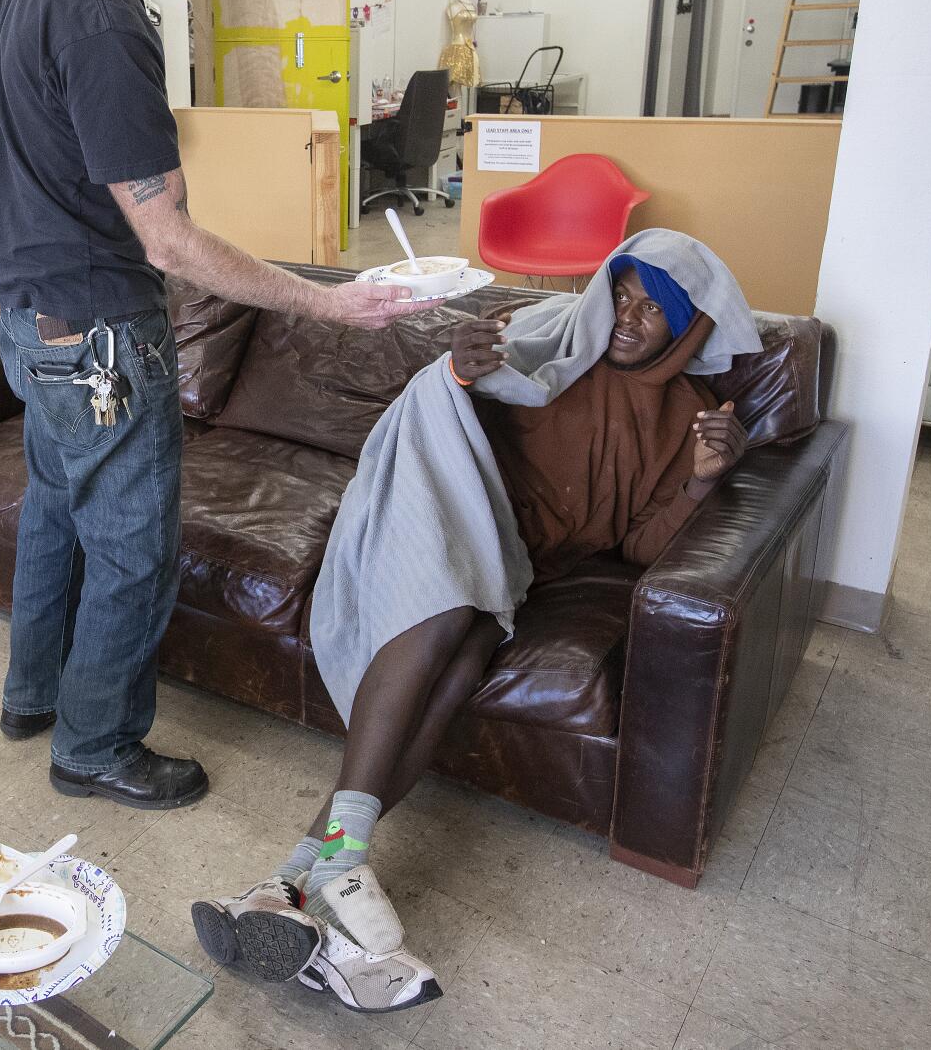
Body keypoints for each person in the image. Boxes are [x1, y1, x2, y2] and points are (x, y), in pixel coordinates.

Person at [0, 0, 442, 813]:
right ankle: (94, 744)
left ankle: (32, 695)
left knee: (54, 510)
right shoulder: (101, 16)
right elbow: (169, 240)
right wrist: (326, 300)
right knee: (134, 548)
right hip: (96, 331)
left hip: (26, 318)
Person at [192, 235, 756, 1012]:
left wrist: (699, 485)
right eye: (621, 297)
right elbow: (445, 407)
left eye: (653, 308)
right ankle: (344, 859)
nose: (628, 319)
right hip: (448, 508)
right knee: (445, 608)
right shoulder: (553, 333)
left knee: (458, 671)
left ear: (689, 325)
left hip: (517, 565)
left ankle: (296, 876)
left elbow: (638, 544)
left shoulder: (691, 420)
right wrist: (457, 366)